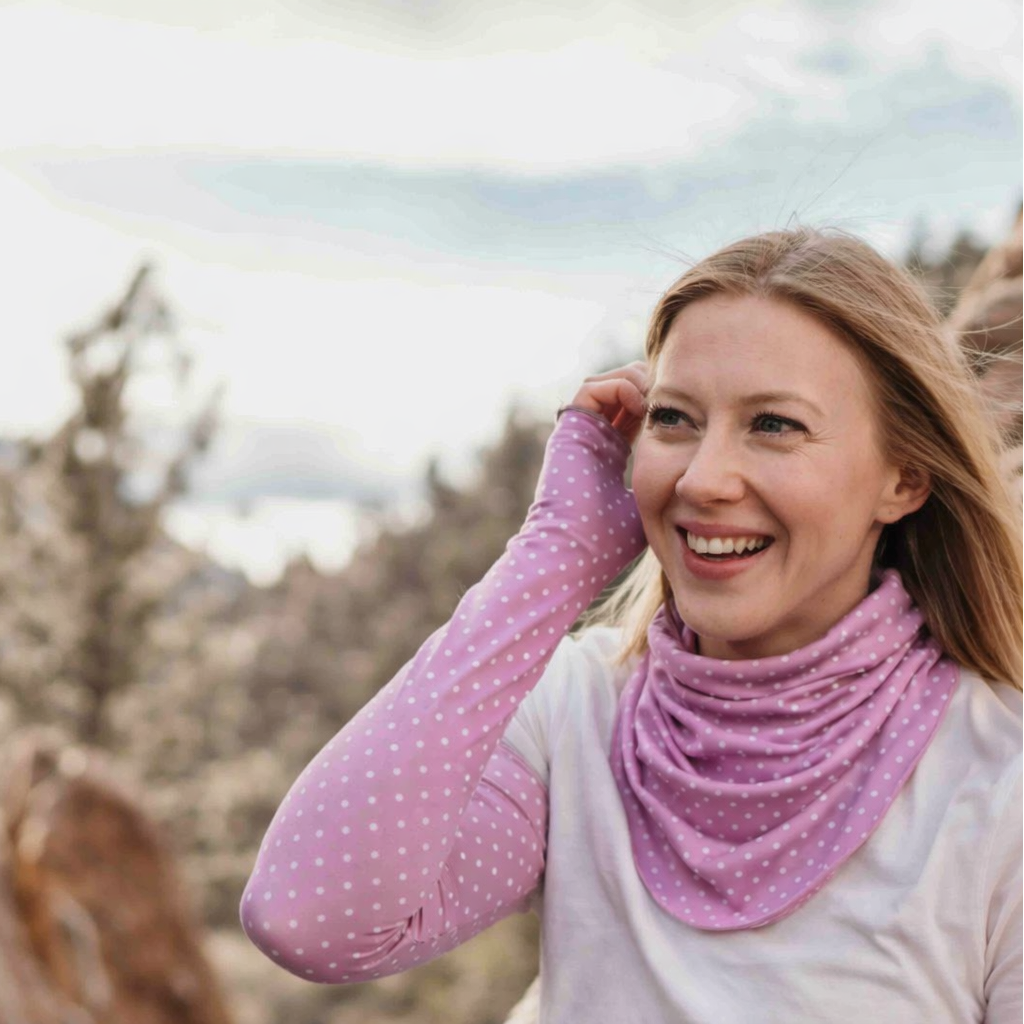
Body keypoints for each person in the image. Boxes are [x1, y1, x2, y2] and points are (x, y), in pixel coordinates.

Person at [240, 228, 1022, 1023]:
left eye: (774, 425)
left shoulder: (999, 775)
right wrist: (555, 551)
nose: (703, 478)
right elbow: (310, 921)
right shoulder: (577, 712)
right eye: (676, 419)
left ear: (905, 478)